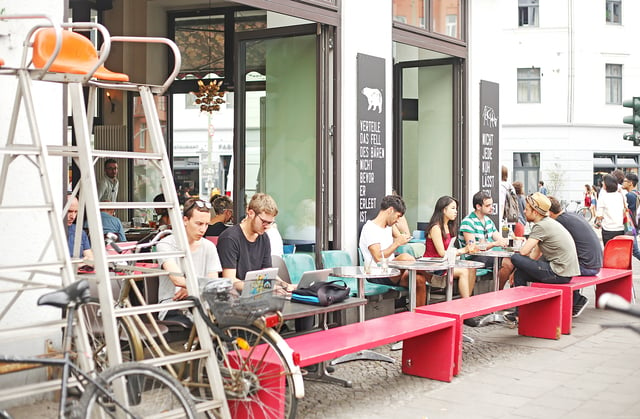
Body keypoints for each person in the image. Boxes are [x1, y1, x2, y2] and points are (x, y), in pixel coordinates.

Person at [507, 193, 580, 322]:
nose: (524, 211)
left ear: (535, 212)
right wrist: (516, 271)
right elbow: (535, 255)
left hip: (558, 273)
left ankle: (522, 312)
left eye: (527, 209)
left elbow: (523, 252)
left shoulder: (541, 226)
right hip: (565, 273)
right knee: (520, 275)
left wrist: (517, 266)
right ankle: (519, 313)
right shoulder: (548, 223)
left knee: (515, 258)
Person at [156, 198, 222, 324]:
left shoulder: (209, 246)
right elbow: (177, 280)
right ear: (185, 220)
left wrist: (192, 288)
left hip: (203, 303)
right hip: (173, 305)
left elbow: (213, 281)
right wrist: (199, 287)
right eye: (199, 224)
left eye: (207, 224)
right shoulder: (166, 244)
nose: (203, 229)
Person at [359, 195, 430, 307]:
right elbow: (378, 258)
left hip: (393, 273)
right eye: (397, 216)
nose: (397, 221)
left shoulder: (389, 227)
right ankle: (432, 277)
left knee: (419, 280)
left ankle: (420, 317)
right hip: (377, 274)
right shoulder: (370, 229)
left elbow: (404, 238)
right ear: (390, 210)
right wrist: (396, 243)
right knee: (405, 257)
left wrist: (403, 232)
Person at [218, 193, 293, 292]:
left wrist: (284, 285)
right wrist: (266, 287)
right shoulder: (229, 238)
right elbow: (230, 280)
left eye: (270, 223)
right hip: (235, 298)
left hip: (257, 295)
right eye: (264, 221)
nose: (267, 226)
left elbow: (267, 272)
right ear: (251, 213)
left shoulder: (264, 237)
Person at [548, 196, 602, 317]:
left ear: (549, 212)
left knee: (547, 269)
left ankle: (577, 300)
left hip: (586, 266)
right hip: (595, 263)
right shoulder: (572, 215)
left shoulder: (559, 222)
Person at [423, 196, 475, 298]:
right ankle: (467, 303)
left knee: (471, 268)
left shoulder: (449, 226)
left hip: (445, 264)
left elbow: (449, 250)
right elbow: (442, 253)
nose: (456, 211)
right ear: (443, 210)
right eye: (453, 208)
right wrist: (464, 250)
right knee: (463, 271)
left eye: (456, 209)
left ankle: (467, 299)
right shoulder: (436, 228)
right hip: (434, 268)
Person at [458, 191, 513, 290]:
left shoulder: (488, 221)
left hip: (487, 255)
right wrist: (494, 244)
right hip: (473, 257)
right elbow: (472, 248)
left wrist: (512, 240)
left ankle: (498, 291)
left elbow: (499, 238)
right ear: (478, 206)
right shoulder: (468, 222)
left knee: (514, 260)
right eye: (488, 205)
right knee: (507, 263)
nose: (492, 207)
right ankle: (497, 292)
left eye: (491, 204)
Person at [595, 174, 624, 247]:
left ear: (607, 184)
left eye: (603, 182)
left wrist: (598, 221)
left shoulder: (603, 197)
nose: (602, 183)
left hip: (608, 229)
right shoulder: (620, 195)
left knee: (610, 252)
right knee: (619, 251)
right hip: (620, 228)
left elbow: (599, 215)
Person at [66, 195, 94, 262]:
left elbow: (91, 259)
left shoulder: (80, 232)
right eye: (69, 211)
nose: (73, 216)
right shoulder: (51, 232)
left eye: (76, 212)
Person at [622, 173, 640, 261]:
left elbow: (629, 212)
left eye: (625, 181)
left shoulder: (629, 195)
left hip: (630, 226)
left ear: (630, 183)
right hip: (635, 225)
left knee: (635, 251)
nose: (623, 183)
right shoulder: (637, 193)